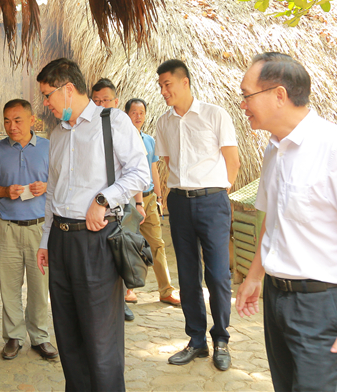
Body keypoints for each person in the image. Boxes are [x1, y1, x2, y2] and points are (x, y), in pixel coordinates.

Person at [235, 52, 337, 391]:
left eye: (247, 95)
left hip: (320, 303)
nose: (243, 105)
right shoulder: (274, 149)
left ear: (279, 95)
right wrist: (255, 276)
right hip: (276, 297)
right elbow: (273, 220)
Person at [36, 59, 150, 392]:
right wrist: (45, 240)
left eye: (47, 95)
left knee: (101, 339)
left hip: (96, 241)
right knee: (68, 335)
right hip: (60, 241)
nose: (45, 103)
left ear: (68, 89)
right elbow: (53, 192)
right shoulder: (58, 134)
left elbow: (140, 174)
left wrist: (103, 200)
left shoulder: (112, 121)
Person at [153, 59, 240, 371]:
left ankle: (221, 340)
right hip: (179, 202)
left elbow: (232, 161)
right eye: (160, 86)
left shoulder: (215, 115)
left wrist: (218, 193)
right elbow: (167, 162)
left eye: (168, 84)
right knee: (188, 275)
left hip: (213, 201)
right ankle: (196, 340)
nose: (163, 91)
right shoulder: (163, 122)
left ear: (185, 82)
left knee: (217, 275)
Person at [0, 99, 56, 361]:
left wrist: (46, 186)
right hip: (7, 228)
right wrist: (4, 191)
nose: (12, 126)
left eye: (18, 120)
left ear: (32, 120)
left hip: (40, 228)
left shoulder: (48, 147)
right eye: (7, 121)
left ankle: (40, 336)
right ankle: (13, 336)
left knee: (39, 285)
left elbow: (62, 181)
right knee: (9, 285)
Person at [124, 98, 180, 307]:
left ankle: (166, 290)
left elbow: (153, 169)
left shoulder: (149, 140)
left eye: (141, 112)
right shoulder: (122, 140)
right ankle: (127, 289)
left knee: (157, 244)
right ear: (127, 115)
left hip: (149, 199)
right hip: (129, 200)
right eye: (134, 112)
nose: (138, 116)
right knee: (127, 244)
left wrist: (159, 196)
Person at [90, 78, 135, 323]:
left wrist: (138, 203)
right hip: (93, 214)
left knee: (121, 255)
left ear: (116, 102)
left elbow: (136, 172)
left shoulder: (121, 125)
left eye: (106, 100)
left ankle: (122, 302)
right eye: (96, 101)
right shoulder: (86, 128)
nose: (101, 105)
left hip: (117, 207)